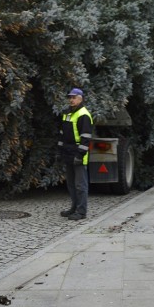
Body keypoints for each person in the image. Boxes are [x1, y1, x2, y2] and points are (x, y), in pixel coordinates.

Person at [58, 87, 93, 221]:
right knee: (71, 184)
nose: (71, 100)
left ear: (80, 98)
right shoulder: (67, 113)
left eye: (74, 97)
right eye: (70, 97)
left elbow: (86, 137)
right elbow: (62, 134)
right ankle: (74, 208)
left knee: (80, 185)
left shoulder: (83, 114)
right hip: (68, 151)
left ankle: (81, 211)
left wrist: (80, 155)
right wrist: (59, 151)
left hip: (78, 152)